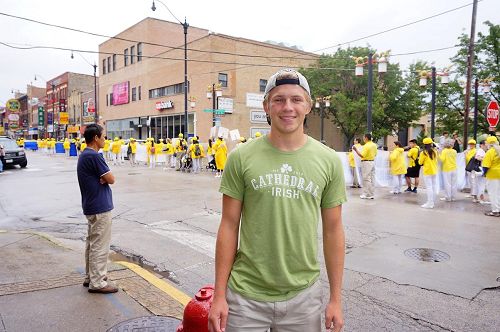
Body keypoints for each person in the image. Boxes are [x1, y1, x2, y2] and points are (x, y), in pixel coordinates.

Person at [208, 68, 346, 332]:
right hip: (245, 296)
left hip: (303, 297)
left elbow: (333, 230)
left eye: (296, 99)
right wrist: (219, 295)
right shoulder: (241, 157)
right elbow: (228, 225)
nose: (288, 107)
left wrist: (336, 299)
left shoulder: (328, 160)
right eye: (279, 99)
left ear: (308, 105)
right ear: (266, 107)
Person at [76, 124, 118, 294]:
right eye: (103, 136)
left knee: (92, 243)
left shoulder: (85, 155)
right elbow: (111, 178)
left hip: (92, 205)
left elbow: (105, 178)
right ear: (96, 138)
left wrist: (103, 179)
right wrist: (104, 179)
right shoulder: (94, 156)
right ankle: (98, 282)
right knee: (100, 245)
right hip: (99, 207)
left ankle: (91, 276)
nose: (105, 139)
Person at [352, 133, 377, 199]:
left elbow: (362, 155)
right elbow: (375, 154)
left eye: (363, 137)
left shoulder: (366, 146)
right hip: (372, 162)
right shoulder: (374, 145)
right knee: (371, 178)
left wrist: (356, 150)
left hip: (366, 162)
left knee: (366, 178)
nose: (363, 139)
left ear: (366, 138)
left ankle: (367, 194)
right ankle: (371, 193)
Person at [482, 136, 500, 217]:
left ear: (489, 143)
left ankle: (495, 211)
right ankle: (498, 209)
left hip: (492, 174)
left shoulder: (490, 152)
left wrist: (484, 173)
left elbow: (486, 166)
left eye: (486, 142)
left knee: (493, 193)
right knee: (498, 193)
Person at [418, 138, 438, 209]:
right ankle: (432, 202)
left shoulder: (423, 153)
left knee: (429, 187)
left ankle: (430, 203)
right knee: (433, 186)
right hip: (434, 170)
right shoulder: (435, 151)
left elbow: (420, 163)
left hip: (427, 171)